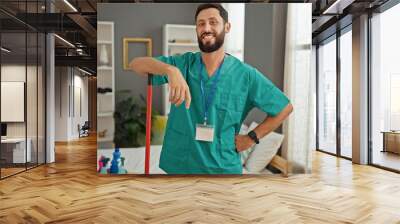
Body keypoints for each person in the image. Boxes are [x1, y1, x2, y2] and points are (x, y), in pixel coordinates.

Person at [130, 3, 293, 174]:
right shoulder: (183, 64)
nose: (206, 28)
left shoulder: (246, 75)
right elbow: (136, 64)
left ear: (227, 27)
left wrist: (251, 138)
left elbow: (285, 108)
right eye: (201, 23)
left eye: (213, 22)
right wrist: (170, 70)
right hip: (180, 165)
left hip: (222, 168)